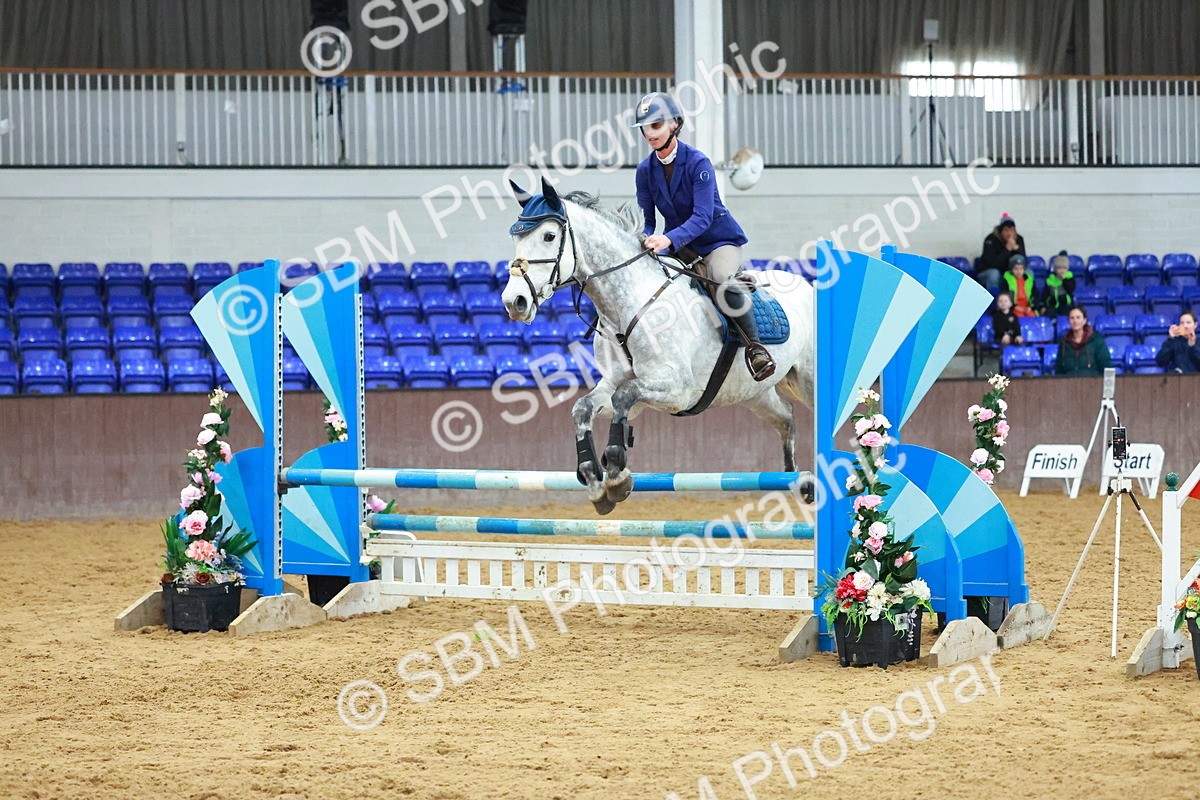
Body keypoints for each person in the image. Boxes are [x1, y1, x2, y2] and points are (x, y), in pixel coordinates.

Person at [631, 92, 775, 381]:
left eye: (657, 125)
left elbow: (702, 217)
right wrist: (645, 239)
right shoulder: (644, 171)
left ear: (675, 125)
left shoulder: (699, 163)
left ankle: (756, 349)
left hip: (718, 241)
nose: (650, 133)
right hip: (680, 247)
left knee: (719, 278)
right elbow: (647, 220)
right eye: (645, 128)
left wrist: (667, 239)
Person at [1055, 305, 1113, 376]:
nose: (1075, 321)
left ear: (1084, 320)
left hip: (1093, 385)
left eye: (1078, 317)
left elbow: (1106, 366)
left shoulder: (1096, 340)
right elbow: (1059, 371)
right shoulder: (1063, 342)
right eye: (1072, 318)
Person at [977, 213, 1026, 294]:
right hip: (988, 272)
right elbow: (992, 264)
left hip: (1009, 272)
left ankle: (1020, 301)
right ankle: (994, 302)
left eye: (1011, 230)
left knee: (1028, 273)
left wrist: (1017, 250)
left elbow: (1023, 262)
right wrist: (1007, 250)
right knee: (994, 274)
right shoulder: (990, 240)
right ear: (1001, 231)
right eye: (1006, 230)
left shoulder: (1019, 239)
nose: (1009, 233)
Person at [1041, 250, 1075, 317]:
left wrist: (1064, 279)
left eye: (1064, 268)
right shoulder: (1050, 280)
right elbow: (1045, 295)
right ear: (1055, 269)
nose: (1061, 270)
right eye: (1059, 268)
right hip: (1052, 305)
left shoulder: (1070, 278)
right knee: (1048, 313)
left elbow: (1070, 288)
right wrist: (1043, 306)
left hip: (1065, 305)